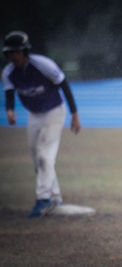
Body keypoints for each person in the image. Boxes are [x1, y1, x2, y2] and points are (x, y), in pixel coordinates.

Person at [1, 31, 81, 218]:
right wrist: (10, 110)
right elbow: (9, 92)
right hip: (34, 115)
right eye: (9, 53)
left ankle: (43, 199)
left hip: (54, 111)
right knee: (37, 159)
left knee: (45, 155)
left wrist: (74, 114)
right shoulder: (8, 72)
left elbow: (64, 85)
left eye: (16, 52)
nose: (13, 56)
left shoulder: (43, 65)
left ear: (24, 51)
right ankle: (54, 198)